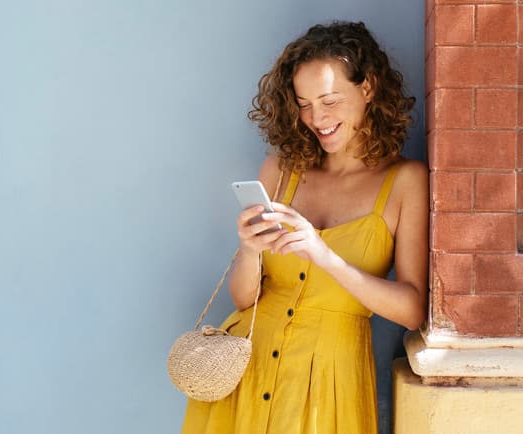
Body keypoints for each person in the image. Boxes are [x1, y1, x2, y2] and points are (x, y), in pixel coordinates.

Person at [181, 21, 428, 434]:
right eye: (305, 103)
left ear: (367, 89)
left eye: (330, 100)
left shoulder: (405, 181)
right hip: (249, 368)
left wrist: (323, 255)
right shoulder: (281, 169)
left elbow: (411, 310)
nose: (317, 118)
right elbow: (245, 300)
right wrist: (248, 248)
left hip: (329, 382)